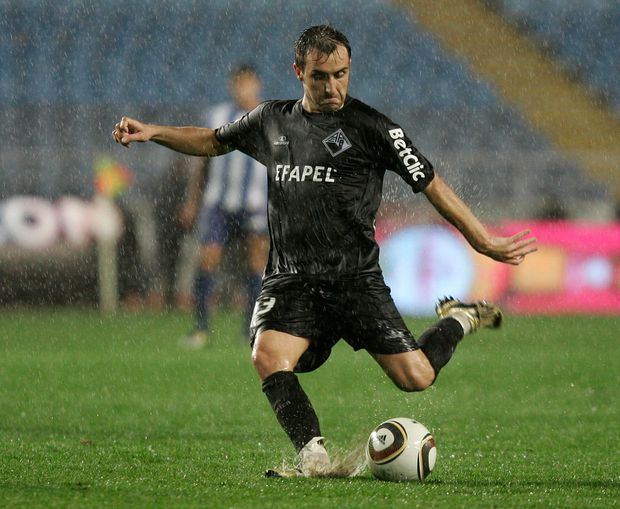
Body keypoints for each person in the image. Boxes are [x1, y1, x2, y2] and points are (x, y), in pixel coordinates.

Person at [112, 25, 537, 478]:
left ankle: (459, 318)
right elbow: (213, 141)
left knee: (416, 378)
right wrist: (154, 132)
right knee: (267, 356)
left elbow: (431, 183)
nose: (332, 86)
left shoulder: (374, 128)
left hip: (355, 280)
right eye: (320, 76)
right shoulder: (271, 120)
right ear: (299, 72)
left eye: (341, 74)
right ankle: (313, 456)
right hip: (292, 278)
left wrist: (481, 239)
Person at [179, 64, 268, 348]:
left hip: (255, 204)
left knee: (256, 263)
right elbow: (203, 163)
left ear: (258, 84)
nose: (243, 89)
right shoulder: (217, 116)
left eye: (248, 83)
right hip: (218, 203)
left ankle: (250, 329)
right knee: (207, 259)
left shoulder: (269, 119)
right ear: (232, 86)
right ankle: (201, 327)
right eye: (238, 83)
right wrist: (192, 201)